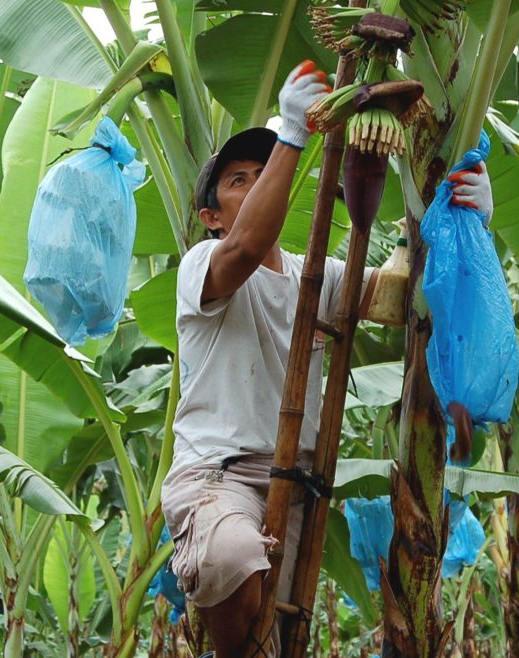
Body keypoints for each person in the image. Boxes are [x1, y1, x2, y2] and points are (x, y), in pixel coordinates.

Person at [160, 60, 494, 658]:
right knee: (230, 556)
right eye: (239, 181)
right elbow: (245, 249)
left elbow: (404, 300)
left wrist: (464, 221)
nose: (257, 185)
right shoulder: (203, 264)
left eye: (264, 174)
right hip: (219, 476)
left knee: (281, 639)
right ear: (211, 217)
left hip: (296, 484)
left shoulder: (317, 276)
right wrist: (291, 132)